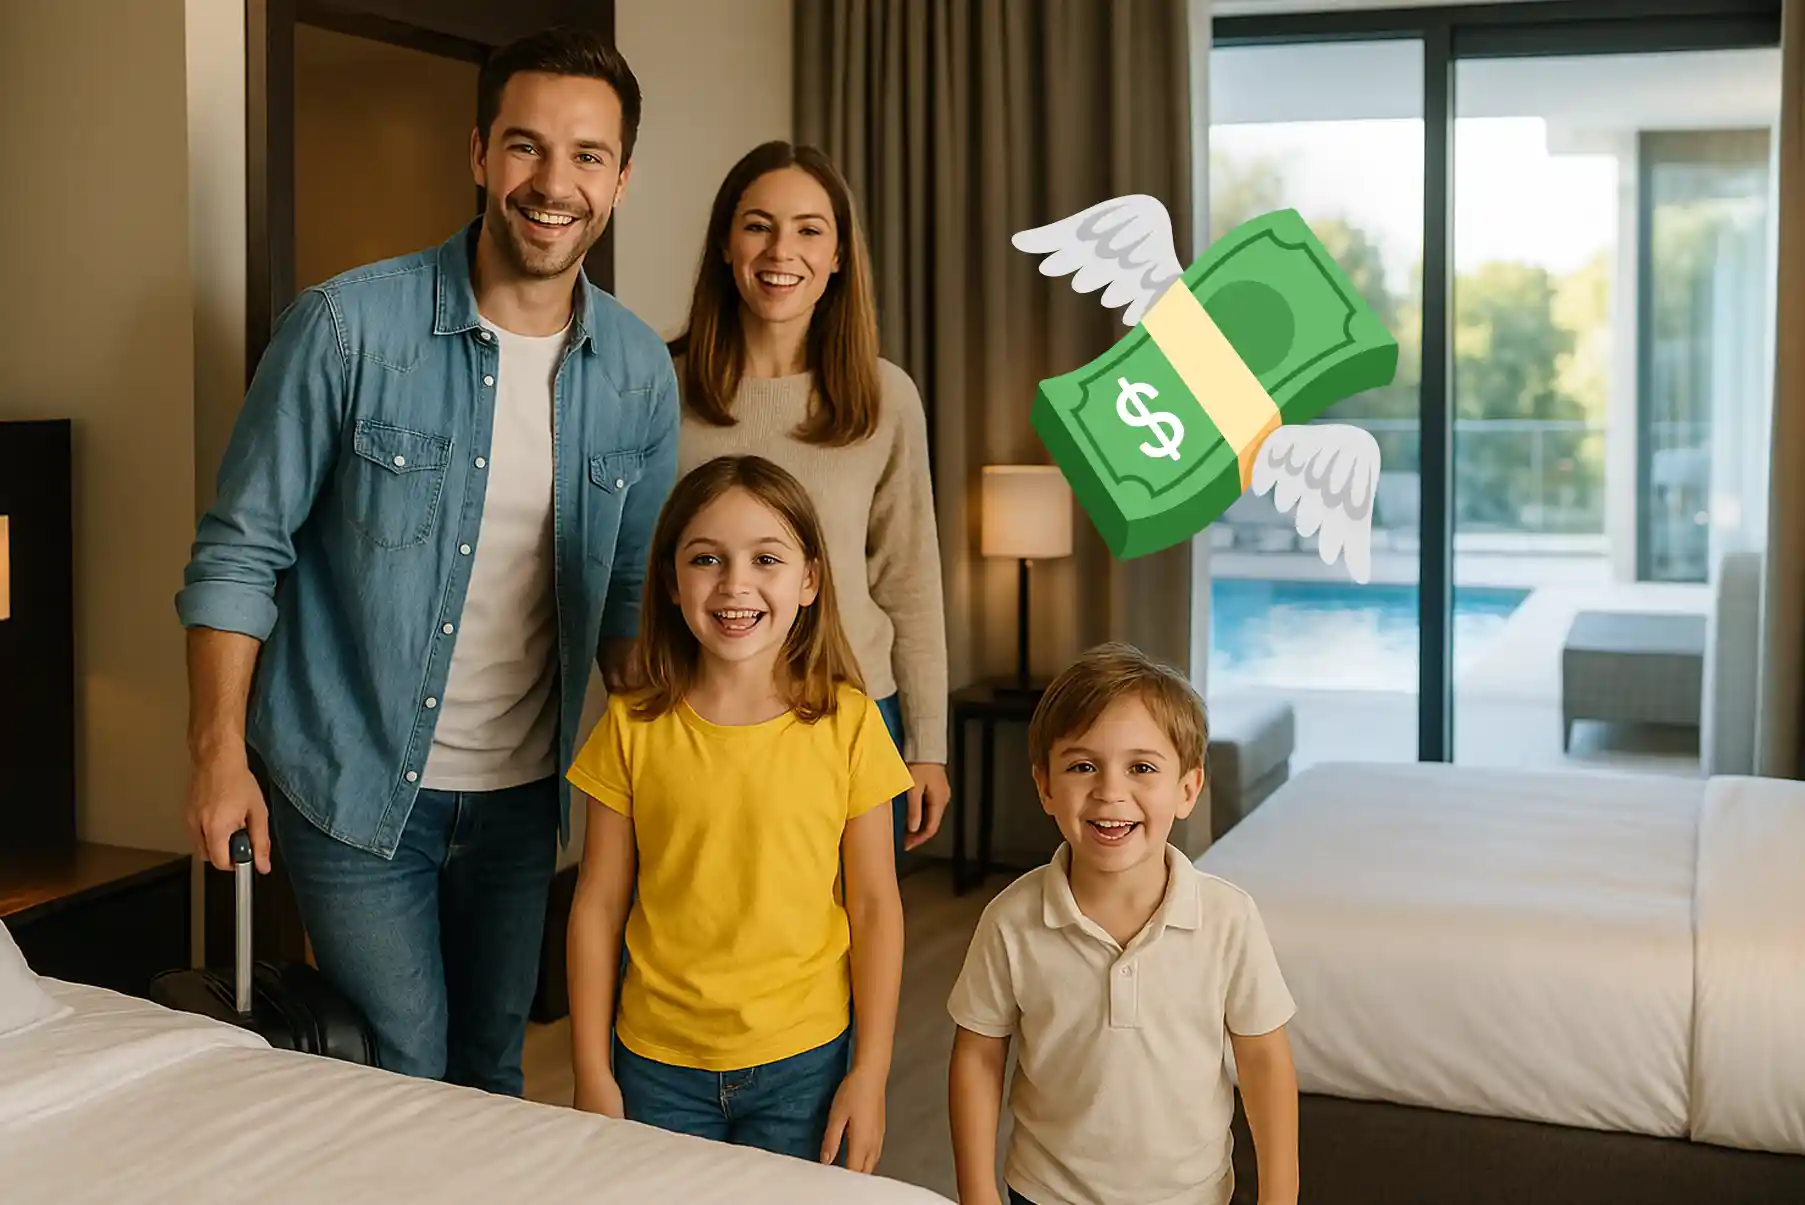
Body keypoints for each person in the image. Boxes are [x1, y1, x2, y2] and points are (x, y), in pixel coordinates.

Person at [174, 27, 678, 1096]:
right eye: (526, 145)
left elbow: (633, 602)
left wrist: (679, 779)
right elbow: (239, 548)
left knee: (490, 1071)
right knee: (404, 1070)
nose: (554, 183)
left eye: (587, 156)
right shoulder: (346, 326)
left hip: (523, 797)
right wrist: (217, 750)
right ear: (479, 153)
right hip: (351, 783)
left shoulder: (638, 369)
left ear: (621, 179)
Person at [564, 454, 910, 1171]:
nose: (734, 584)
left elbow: (875, 905)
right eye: (706, 559)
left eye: (766, 559)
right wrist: (591, 1071)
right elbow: (596, 905)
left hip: (805, 1063)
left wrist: (870, 1071)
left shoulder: (850, 724)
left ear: (809, 580)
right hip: (655, 1065)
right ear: (671, 581)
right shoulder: (630, 727)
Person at [668, 140, 950, 861]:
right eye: (758, 226)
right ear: (726, 245)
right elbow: (626, 562)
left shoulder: (885, 396)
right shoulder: (661, 388)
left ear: (838, 256)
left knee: (859, 923)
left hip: (855, 712)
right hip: (701, 718)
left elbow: (909, 579)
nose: (780, 251)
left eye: (808, 230)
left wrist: (927, 745)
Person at [945, 643, 1301, 1205]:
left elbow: (1264, 1062)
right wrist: (976, 1193)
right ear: (1045, 787)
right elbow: (978, 1055)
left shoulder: (1229, 920)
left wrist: (1280, 1197)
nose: (1110, 792)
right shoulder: (1011, 921)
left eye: (1141, 768)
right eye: (1083, 766)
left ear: (1187, 790)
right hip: (1045, 1193)